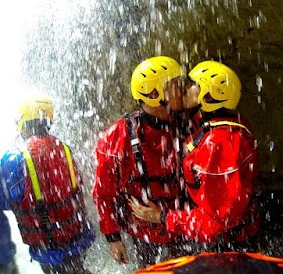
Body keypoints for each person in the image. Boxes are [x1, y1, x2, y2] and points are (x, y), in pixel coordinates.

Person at [130, 60, 260, 252]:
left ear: (208, 96)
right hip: (227, 237)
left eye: (194, 86)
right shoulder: (218, 125)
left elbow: (215, 223)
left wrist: (162, 217)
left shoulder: (220, 144)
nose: (185, 88)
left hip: (227, 247)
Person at [92, 56, 186, 269]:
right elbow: (104, 193)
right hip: (144, 233)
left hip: (180, 224)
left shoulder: (184, 123)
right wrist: (113, 237)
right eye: (175, 86)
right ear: (154, 95)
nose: (182, 90)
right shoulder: (117, 137)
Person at [0, 95, 95, 274]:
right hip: (78, 240)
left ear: (22, 123)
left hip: (48, 250)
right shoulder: (64, 148)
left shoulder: (13, 159)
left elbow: (4, 202)